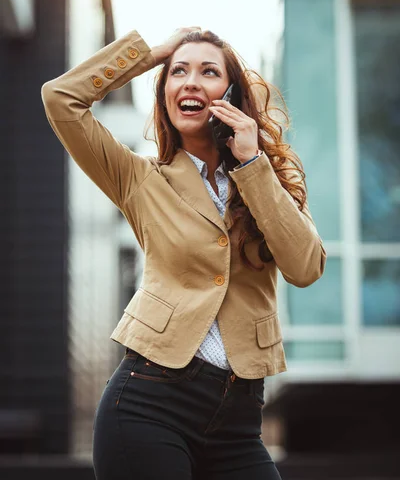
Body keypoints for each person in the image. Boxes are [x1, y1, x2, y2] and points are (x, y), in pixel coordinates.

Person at [41, 26, 327, 479]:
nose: (190, 81)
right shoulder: (138, 177)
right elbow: (60, 99)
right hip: (149, 404)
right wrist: (151, 54)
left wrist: (253, 166)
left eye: (208, 72)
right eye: (179, 72)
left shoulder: (270, 179)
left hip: (239, 421)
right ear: (165, 92)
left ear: (231, 96)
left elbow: (306, 267)